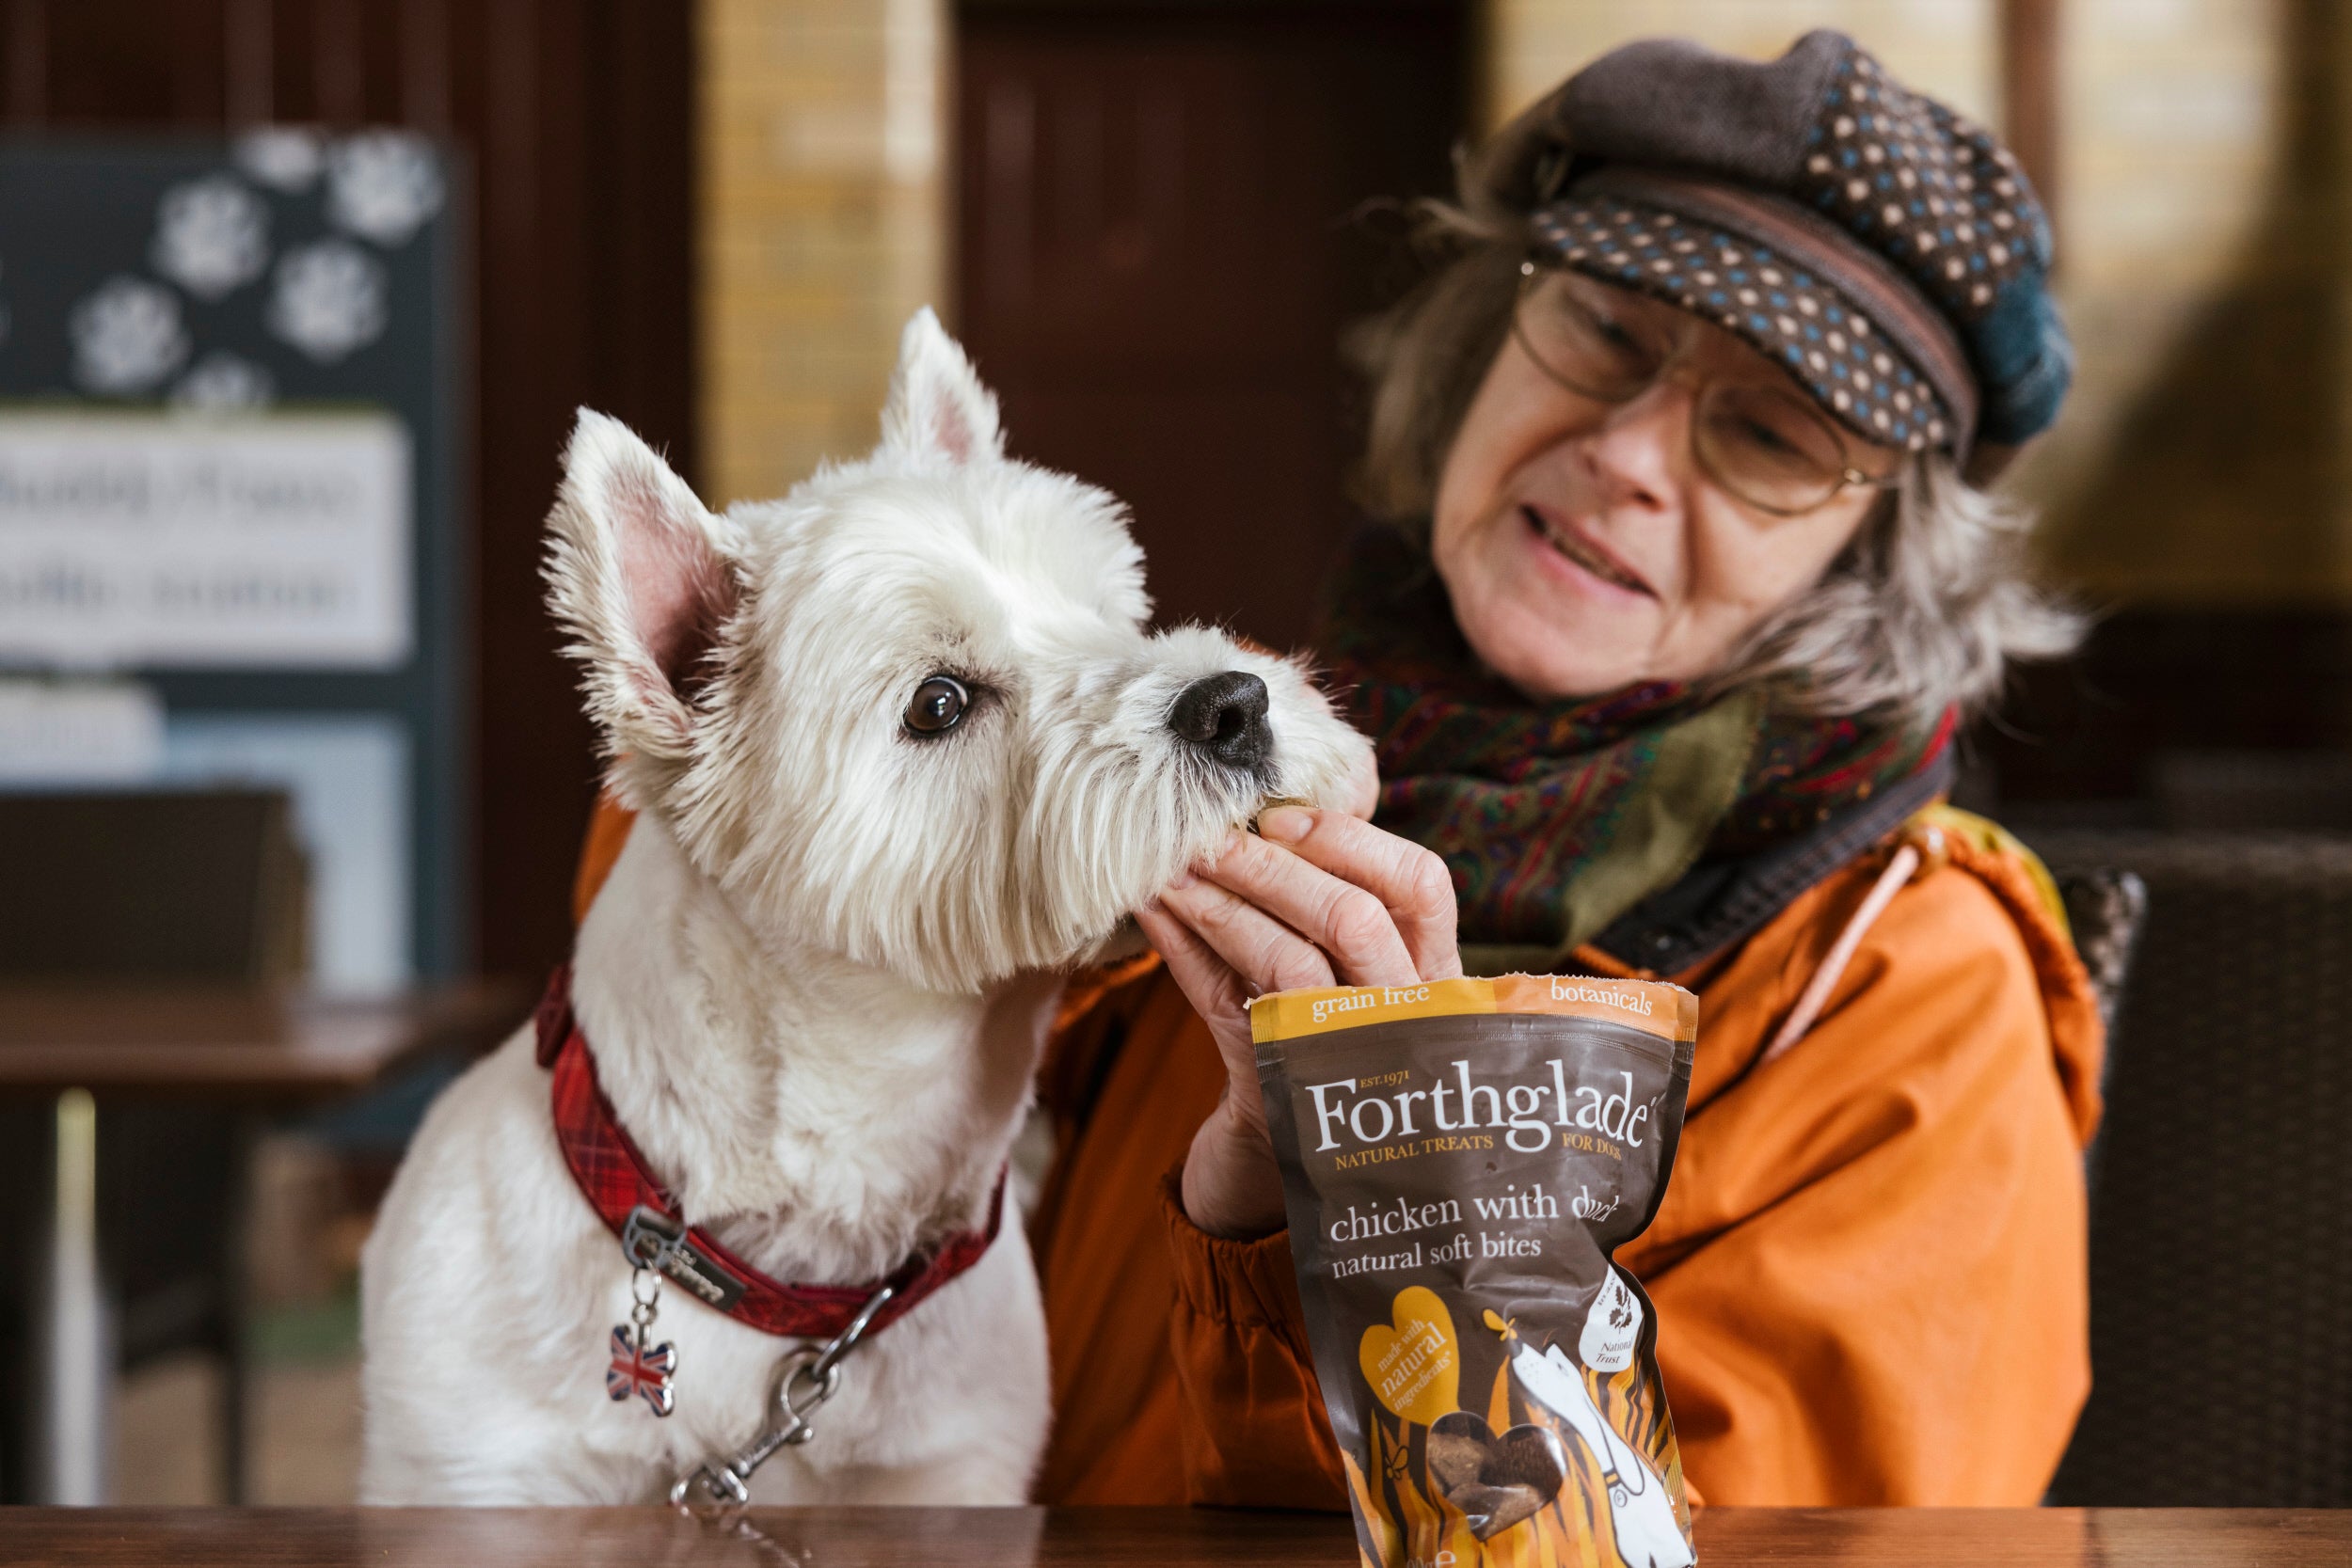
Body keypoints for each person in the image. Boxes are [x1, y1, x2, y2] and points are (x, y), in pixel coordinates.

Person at [572, 30, 2104, 1506]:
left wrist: (1364, 1200)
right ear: (1480, 342)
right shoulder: (1222, 742)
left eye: (1768, 436)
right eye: (1608, 332)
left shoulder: (1913, 994)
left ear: (1877, 556)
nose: (1632, 453)